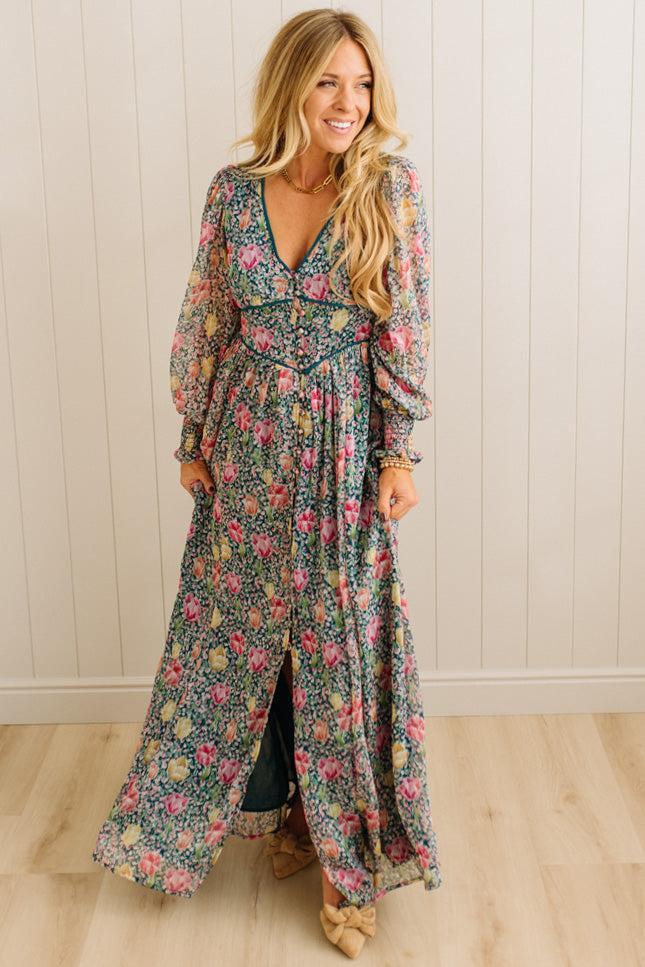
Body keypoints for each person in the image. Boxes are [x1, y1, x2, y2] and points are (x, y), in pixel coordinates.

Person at [92, 8, 442, 960]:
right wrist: (191, 436)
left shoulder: (389, 189)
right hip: (244, 447)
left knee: (335, 652)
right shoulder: (233, 193)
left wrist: (397, 452)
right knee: (237, 641)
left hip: (339, 453)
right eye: (328, 81)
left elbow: (403, 327)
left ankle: (345, 864)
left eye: (361, 84)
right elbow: (207, 317)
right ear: (291, 85)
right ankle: (283, 811)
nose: (347, 102)